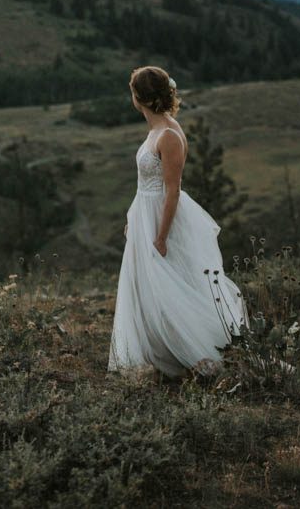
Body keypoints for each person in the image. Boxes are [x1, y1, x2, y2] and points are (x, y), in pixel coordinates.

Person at [107, 65, 249, 381]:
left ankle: (195, 353)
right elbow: (147, 185)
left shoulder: (169, 134)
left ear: (139, 97)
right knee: (151, 286)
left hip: (162, 219)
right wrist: (135, 219)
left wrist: (160, 236)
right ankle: (162, 351)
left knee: (172, 286)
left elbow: (172, 190)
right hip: (146, 215)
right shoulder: (157, 130)